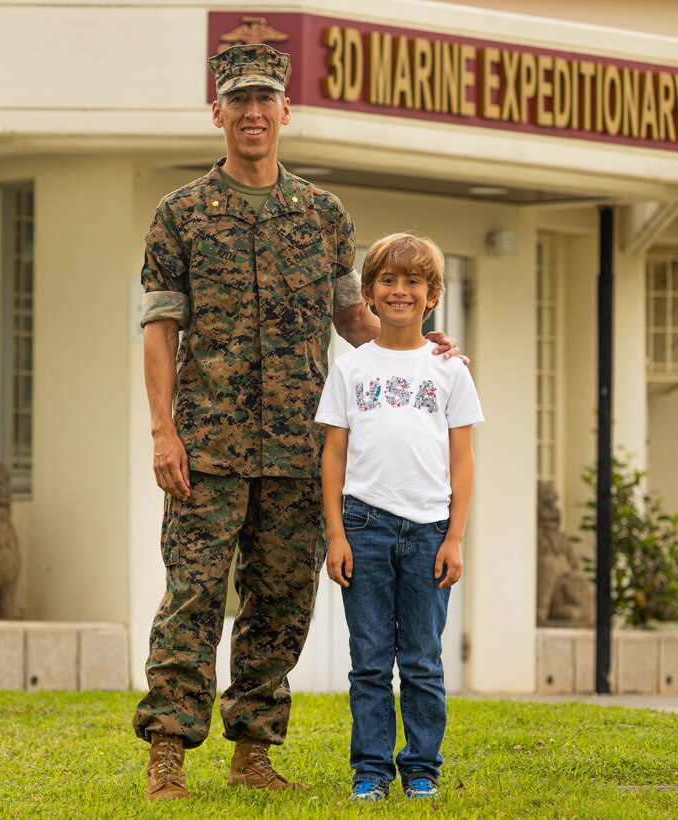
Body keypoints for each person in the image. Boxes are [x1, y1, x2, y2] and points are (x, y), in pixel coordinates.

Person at [133, 45, 462, 801]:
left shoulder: (320, 214)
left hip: (298, 446)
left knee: (281, 601)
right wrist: (163, 430)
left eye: (266, 99)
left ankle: (252, 750)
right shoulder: (180, 214)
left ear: (287, 111)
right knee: (192, 594)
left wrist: (421, 350)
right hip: (207, 446)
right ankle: (168, 755)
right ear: (217, 111)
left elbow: (354, 317)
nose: (253, 112)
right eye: (238, 99)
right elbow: (160, 328)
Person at [316, 232, 484, 802]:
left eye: (413, 281)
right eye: (387, 280)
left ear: (432, 294)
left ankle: (420, 769)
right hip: (363, 527)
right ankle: (370, 770)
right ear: (367, 292)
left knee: (421, 661)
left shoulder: (450, 371)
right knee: (368, 661)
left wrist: (455, 537)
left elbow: (462, 460)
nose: (399, 291)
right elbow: (333, 455)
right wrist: (335, 534)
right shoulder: (349, 369)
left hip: (430, 530)